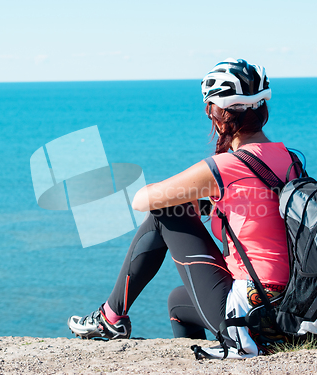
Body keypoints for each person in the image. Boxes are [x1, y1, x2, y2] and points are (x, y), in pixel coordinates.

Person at [68, 58, 297, 359]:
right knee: (178, 302)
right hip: (290, 309)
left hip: (252, 312)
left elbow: (143, 200)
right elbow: (258, 207)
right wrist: (209, 202)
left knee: (163, 213)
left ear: (219, 115)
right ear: (262, 110)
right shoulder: (290, 159)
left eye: (209, 109)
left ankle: (110, 318)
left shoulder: (227, 165)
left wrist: (192, 196)